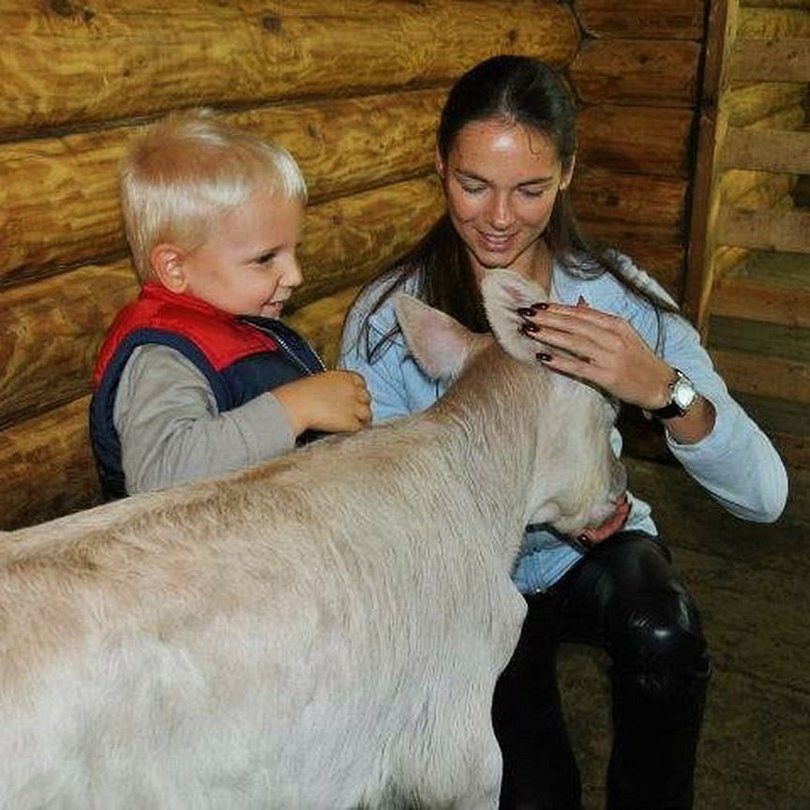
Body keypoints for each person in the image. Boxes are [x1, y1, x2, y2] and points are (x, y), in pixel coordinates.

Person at [339, 55, 788, 810]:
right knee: (533, 789)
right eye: (473, 184)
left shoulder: (612, 296)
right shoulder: (394, 318)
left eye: (531, 188)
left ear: (569, 173)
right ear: (439, 166)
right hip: (468, 574)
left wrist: (658, 388)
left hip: (593, 547)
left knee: (663, 639)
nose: (500, 217)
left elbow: (764, 497)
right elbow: (369, 504)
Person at [90, 110, 371, 498]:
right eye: (265, 259)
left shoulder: (239, 322)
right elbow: (160, 474)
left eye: (294, 251)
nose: (295, 275)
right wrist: (293, 408)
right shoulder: (162, 358)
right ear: (175, 267)